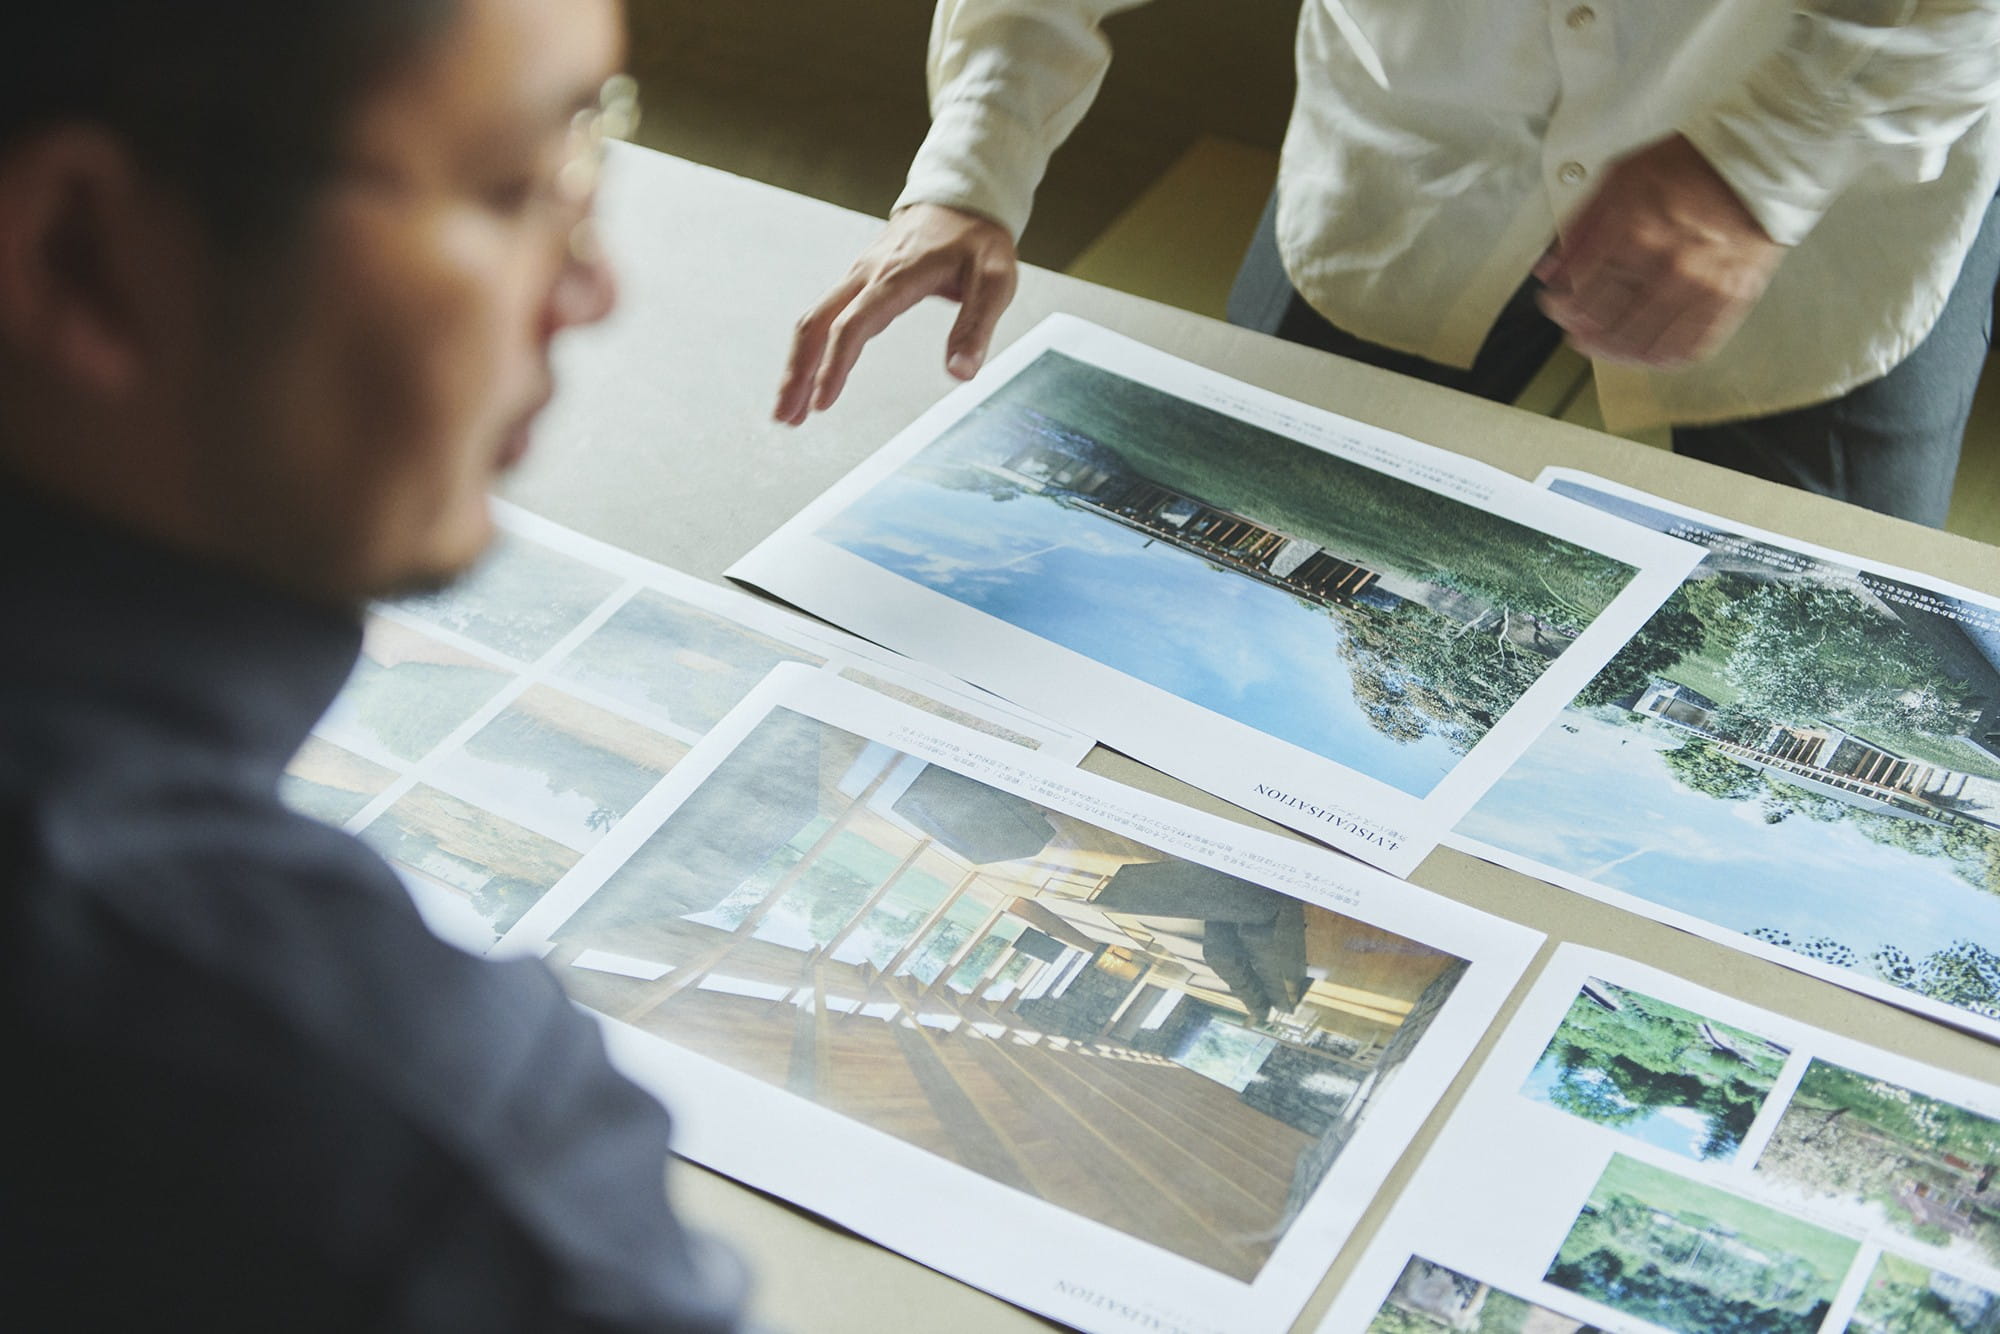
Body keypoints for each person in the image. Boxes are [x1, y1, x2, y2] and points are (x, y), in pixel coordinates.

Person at [1, 2, 746, 1328]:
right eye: (517, 183)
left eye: (596, 149)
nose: (591, 286)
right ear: (81, 255)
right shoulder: (407, 1151)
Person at [775, 1, 2000, 527]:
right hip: (1411, 162)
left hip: (1843, 180)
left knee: (1836, 627)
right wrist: (970, 170)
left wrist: (1759, 163)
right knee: (1222, 524)